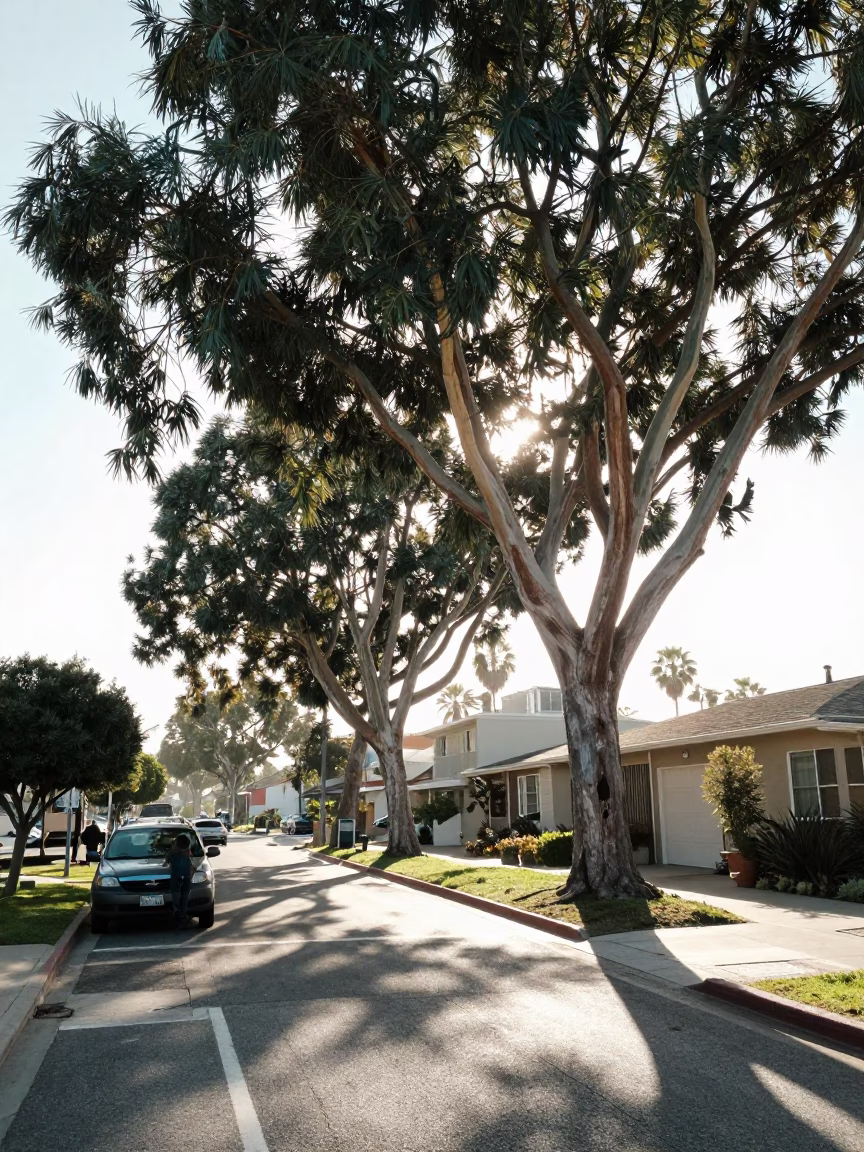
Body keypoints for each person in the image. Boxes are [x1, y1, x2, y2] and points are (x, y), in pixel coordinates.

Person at [167, 834, 196, 928]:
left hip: (175, 877)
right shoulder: (187, 853)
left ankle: (177, 913)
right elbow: (192, 866)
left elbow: (165, 863)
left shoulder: (172, 853)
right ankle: (182, 915)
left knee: (176, 895)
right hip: (186, 877)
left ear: (176, 844)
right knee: (185, 896)